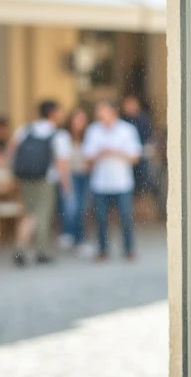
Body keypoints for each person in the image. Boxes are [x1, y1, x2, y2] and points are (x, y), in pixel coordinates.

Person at [9, 100, 73, 266]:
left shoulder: (25, 129)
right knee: (41, 214)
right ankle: (37, 250)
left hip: (26, 177)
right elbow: (62, 163)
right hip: (46, 179)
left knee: (29, 213)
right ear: (53, 113)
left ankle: (23, 247)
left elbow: (11, 150)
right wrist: (66, 185)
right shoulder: (59, 134)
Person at [82, 99, 143, 260]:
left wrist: (116, 152)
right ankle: (103, 250)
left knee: (125, 217)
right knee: (101, 218)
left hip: (122, 182)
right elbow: (87, 158)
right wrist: (100, 153)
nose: (99, 114)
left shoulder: (127, 130)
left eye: (102, 110)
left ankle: (129, 249)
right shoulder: (93, 130)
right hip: (100, 183)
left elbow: (135, 157)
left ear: (112, 111)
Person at [120, 93, 164, 217]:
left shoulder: (144, 119)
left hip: (143, 156)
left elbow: (148, 137)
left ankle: (146, 209)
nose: (128, 107)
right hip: (129, 157)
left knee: (145, 181)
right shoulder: (124, 121)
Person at [61, 107, 92, 248]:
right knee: (72, 207)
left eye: (83, 119)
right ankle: (71, 234)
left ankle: (79, 238)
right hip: (70, 175)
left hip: (85, 175)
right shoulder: (64, 136)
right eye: (77, 118)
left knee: (82, 207)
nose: (80, 122)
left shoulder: (90, 135)